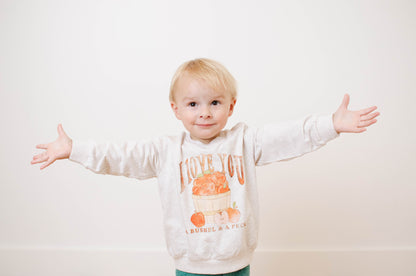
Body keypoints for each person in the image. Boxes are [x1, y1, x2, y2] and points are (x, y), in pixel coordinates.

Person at [31, 58, 379, 276]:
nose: (205, 112)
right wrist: (74, 149)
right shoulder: (164, 151)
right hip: (190, 263)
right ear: (176, 109)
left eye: (215, 102)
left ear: (231, 106)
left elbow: (289, 136)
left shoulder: (244, 140)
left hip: (236, 259)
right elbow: (120, 155)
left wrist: (331, 125)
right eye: (193, 104)